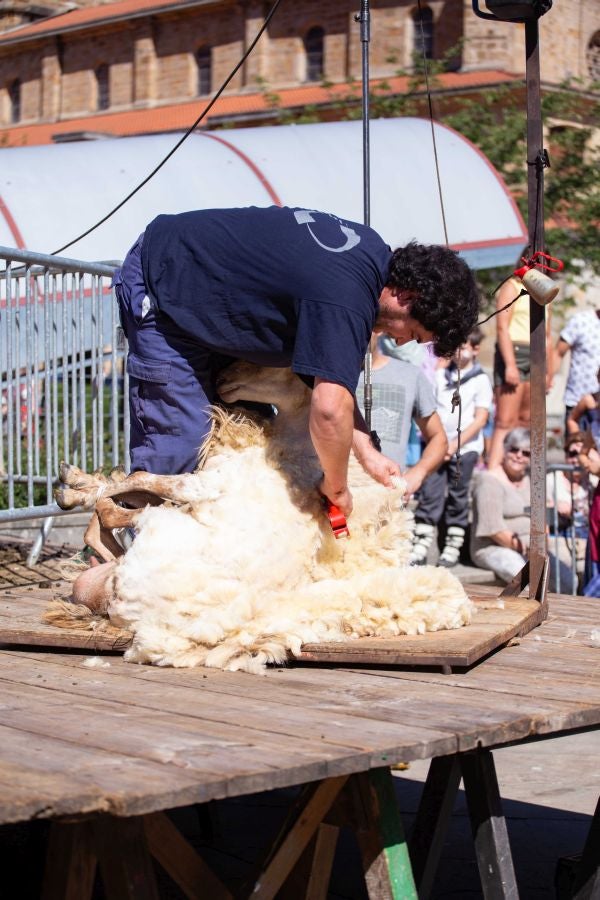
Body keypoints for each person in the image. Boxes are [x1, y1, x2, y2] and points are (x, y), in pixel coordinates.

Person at [113, 206, 480, 519]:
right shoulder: (347, 298)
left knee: (246, 442)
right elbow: (329, 410)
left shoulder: (369, 260)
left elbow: (330, 389)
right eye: (413, 332)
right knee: (181, 445)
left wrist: (366, 450)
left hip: (209, 302)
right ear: (407, 296)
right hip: (165, 282)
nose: (400, 341)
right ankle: (124, 567)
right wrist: (337, 490)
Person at [410, 326, 492, 567]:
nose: (458, 352)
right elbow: (430, 408)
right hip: (438, 447)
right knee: (430, 492)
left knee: (458, 495)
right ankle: (421, 543)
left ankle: (452, 546)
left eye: (463, 346)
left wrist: (455, 443)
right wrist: (439, 443)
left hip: (463, 449)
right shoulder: (440, 376)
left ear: (475, 350)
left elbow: (480, 419)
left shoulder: (480, 380)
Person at [470, 428, 572, 591]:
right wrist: (525, 549)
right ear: (505, 450)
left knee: (567, 580)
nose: (519, 456)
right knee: (529, 581)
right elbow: (493, 530)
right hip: (495, 547)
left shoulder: (531, 480)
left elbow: (541, 519)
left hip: (531, 548)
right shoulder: (489, 481)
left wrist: (539, 546)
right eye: (514, 449)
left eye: (526, 453)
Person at [356, 333, 447, 499]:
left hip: (389, 500)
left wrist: (417, 473)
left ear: (379, 329)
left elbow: (438, 438)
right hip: (339, 498)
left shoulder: (410, 375)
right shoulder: (327, 379)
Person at [546, 431, 589, 588]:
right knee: (566, 575)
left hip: (585, 537)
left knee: (586, 571)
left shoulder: (592, 480)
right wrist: (554, 507)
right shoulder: (552, 478)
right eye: (572, 453)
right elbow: (539, 508)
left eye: (582, 454)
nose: (576, 459)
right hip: (558, 536)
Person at [554, 308, 600, 429]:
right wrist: (547, 379)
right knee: (576, 446)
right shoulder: (581, 321)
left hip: (598, 405)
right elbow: (558, 352)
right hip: (577, 403)